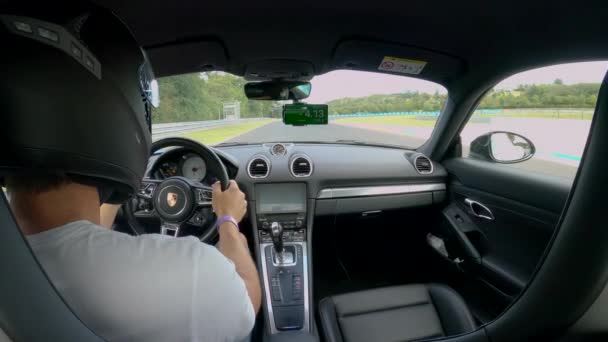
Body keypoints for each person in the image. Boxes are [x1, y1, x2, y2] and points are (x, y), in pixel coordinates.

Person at [1, 3, 260, 342]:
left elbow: (75, 235)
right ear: (111, 118)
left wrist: (120, 197)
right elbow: (246, 303)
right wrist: (227, 221)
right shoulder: (193, 274)